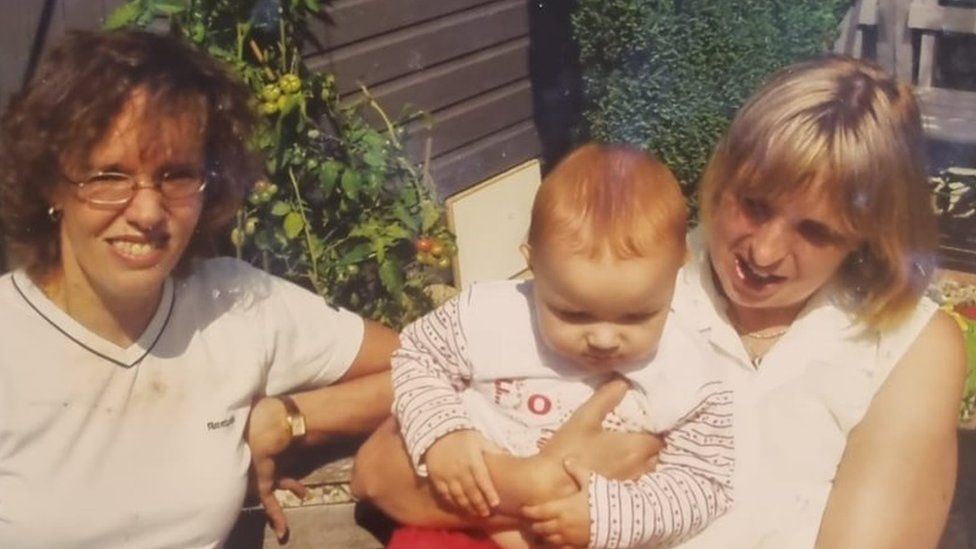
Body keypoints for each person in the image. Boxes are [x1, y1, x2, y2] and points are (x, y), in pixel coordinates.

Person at [353, 55, 966, 548]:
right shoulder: (635, 277)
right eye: (752, 203)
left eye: (815, 231)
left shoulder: (904, 342)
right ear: (725, 172)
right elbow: (380, 471)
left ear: (865, 232)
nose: (766, 251)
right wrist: (533, 481)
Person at [0, 30, 398, 548]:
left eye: (176, 175)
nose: (147, 212)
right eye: (110, 177)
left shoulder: (236, 306)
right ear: (54, 183)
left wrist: (291, 419)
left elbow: (426, 366)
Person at [383, 144, 735, 548]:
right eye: (574, 315)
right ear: (533, 264)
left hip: (587, 534)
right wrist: (442, 434)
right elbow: (417, 357)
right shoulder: (492, 316)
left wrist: (611, 517)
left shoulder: (689, 371)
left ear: (678, 267)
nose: (604, 339)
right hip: (467, 520)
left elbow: (705, 484)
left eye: (636, 317)